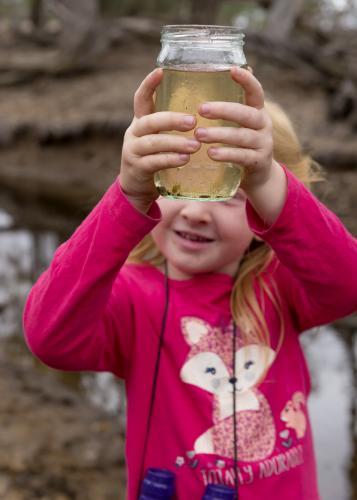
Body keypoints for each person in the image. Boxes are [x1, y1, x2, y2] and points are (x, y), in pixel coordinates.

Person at [23, 67, 357, 500]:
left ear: (264, 212)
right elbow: (49, 337)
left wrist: (267, 180)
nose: (197, 211)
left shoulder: (281, 285)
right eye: (181, 182)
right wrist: (126, 198)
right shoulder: (130, 296)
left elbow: (348, 283)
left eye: (229, 191)